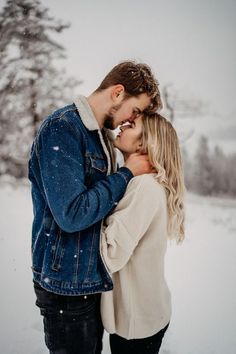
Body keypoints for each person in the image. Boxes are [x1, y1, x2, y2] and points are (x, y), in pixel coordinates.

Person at [28, 61, 162, 354]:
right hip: (66, 287)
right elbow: (72, 215)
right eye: (135, 111)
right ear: (117, 93)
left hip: (87, 283)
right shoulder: (63, 129)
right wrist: (126, 174)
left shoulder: (98, 134)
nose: (131, 120)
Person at [101, 113, 186, 354]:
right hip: (146, 313)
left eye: (132, 124)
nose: (123, 125)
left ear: (143, 143)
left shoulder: (144, 187)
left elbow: (110, 253)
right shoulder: (144, 183)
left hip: (136, 324)